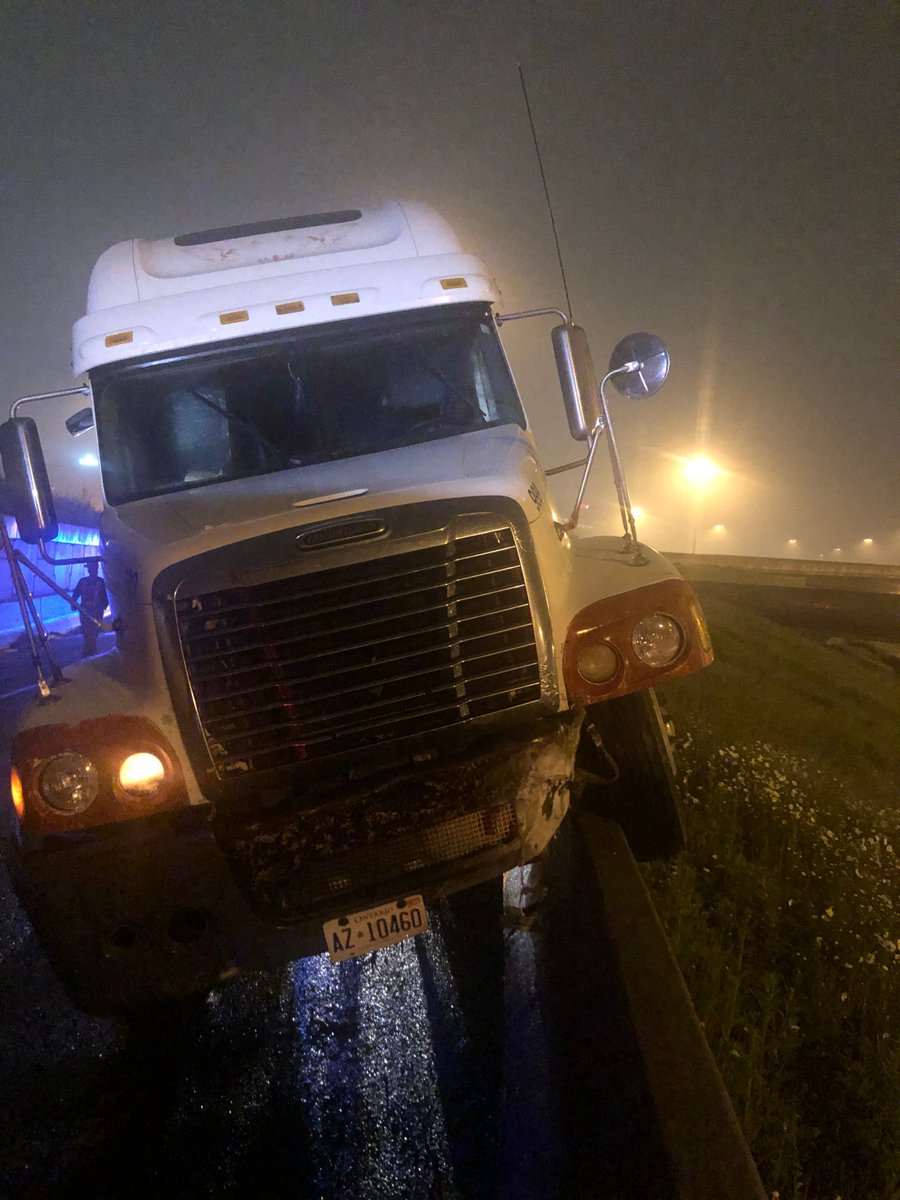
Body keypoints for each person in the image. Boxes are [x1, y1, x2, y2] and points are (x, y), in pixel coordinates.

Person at [71, 560, 109, 657]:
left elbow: (106, 597)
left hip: (96, 613)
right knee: (87, 633)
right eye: (91, 568)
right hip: (85, 612)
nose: (92, 570)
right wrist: (74, 604)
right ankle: (89, 651)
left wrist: (103, 606)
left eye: (94, 568)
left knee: (93, 633)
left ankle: (91, 651)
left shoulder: (101, 582)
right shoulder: (83, 582)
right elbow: (75, 594)